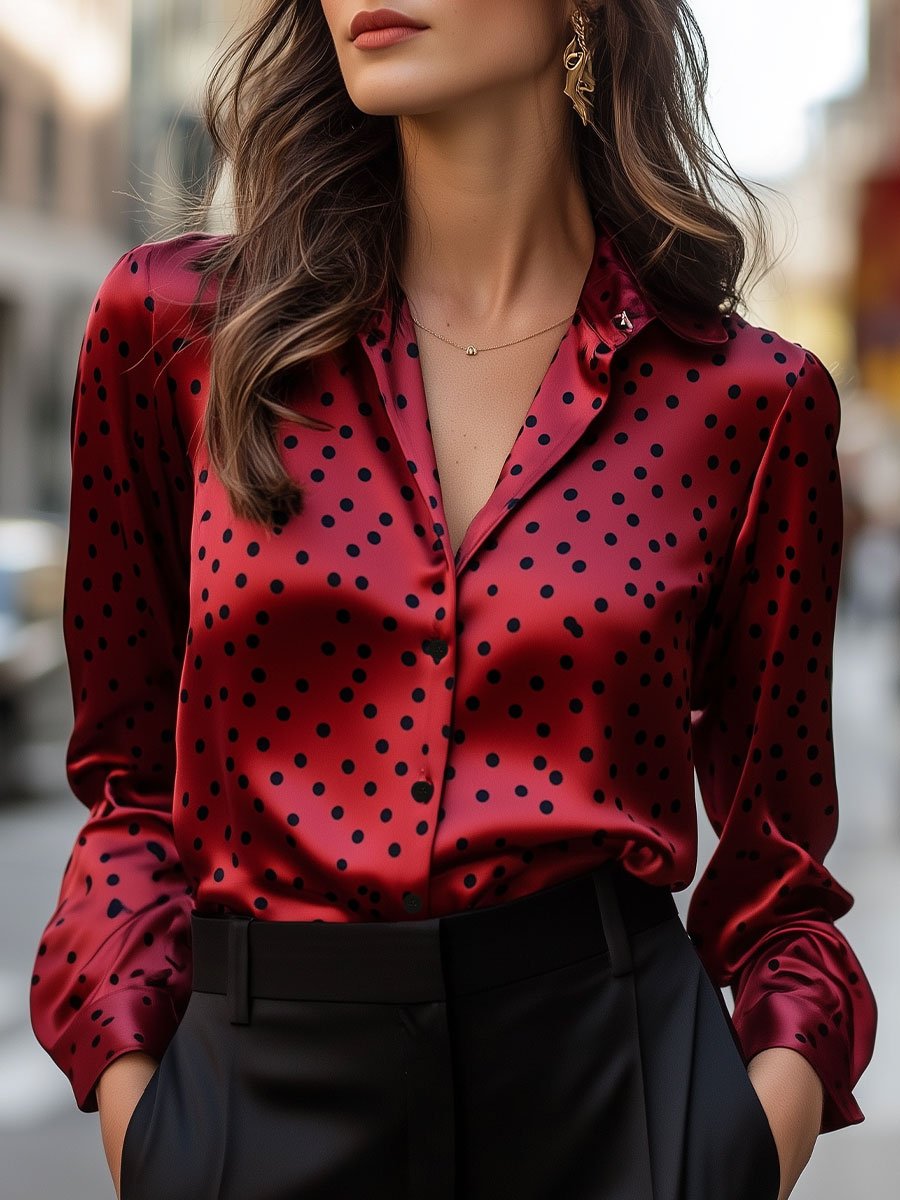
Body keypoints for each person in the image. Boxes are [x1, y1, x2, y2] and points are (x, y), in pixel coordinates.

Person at [30, 3, 877, 1198]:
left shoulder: (749, 404)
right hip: (256, 1109)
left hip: (614, 1102)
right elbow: (123, 787)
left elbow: (780, 873)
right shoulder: (175, 333)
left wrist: (740, 1146)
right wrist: (147, 1124)